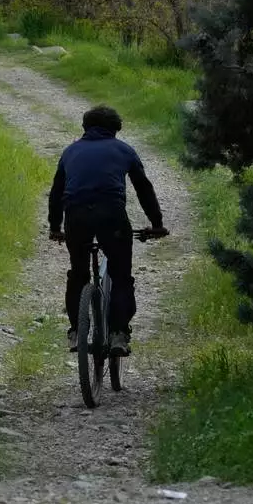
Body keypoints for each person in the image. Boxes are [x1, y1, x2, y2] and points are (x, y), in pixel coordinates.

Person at [48, 106, 168, 357]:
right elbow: (143, 188)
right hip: (111, 216)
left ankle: (76, 332)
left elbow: (57, 192)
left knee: (78, 273)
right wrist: (156, 223)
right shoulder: (124, 150)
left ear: (85, 128)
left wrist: (55, 227)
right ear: (115, 129)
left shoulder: (70, 151)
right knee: (120, 275)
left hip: (76, 216)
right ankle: (118, 335)